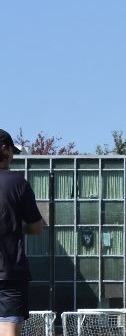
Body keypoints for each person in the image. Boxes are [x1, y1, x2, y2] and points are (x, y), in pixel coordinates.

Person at [0, 129, 43, 336]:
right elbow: (36, 226)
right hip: (10, 272)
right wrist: (17, 227)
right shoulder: (18, 184)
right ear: (4, 150)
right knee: (8, 329)